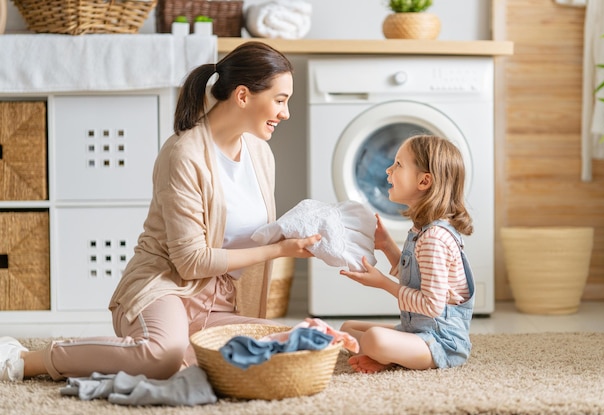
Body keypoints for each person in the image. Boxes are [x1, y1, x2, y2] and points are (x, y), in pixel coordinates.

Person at [0, 41, 320, 382]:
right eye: (281, 100)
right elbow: (190, 262)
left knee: (288, 342)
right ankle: (26, 358)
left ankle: (178, 348)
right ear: (243, 96)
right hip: (163, 286)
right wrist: (279, 250)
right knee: (163, 355)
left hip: (216, 301)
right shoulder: (184, 155)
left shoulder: (259, 153)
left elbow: (245, 233)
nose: (285, 113)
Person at [339, 134, 475, 374]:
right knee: (348, 329)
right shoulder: (422, 230)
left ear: (424, 181)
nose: (388, 170)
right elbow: (416, 277)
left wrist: (383, 283)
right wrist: (387, 245)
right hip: (416, 332)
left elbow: (431, 306)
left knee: (373, 340)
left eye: (399, 164)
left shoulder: (434, 238)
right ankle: (391, 356)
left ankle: (389, 356)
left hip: (442, 344)